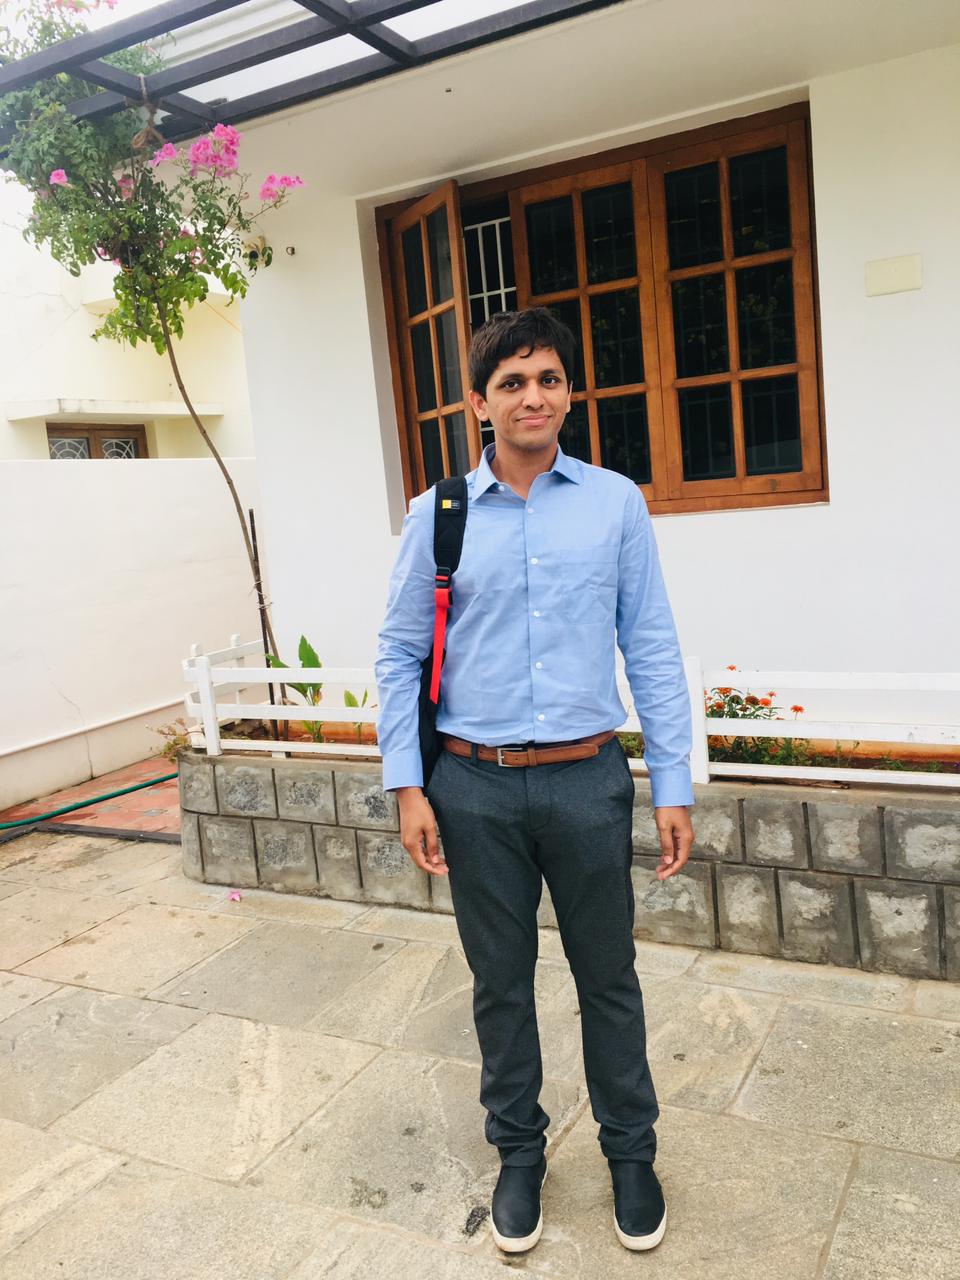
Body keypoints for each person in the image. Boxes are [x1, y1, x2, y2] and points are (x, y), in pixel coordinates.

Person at [374, 307, 695, 1254]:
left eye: (548, 378)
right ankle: (519, 1155)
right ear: (479, 403)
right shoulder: (439, 515)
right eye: (511, 382)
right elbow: (398, 653)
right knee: (500, 986)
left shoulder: (614, 504)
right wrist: (408, 785)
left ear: (568, 393)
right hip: (473, 788)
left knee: (610, 978)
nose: (533, 396)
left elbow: (651, 644)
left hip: (586, 781)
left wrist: (672, 780)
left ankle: (630, 1153)